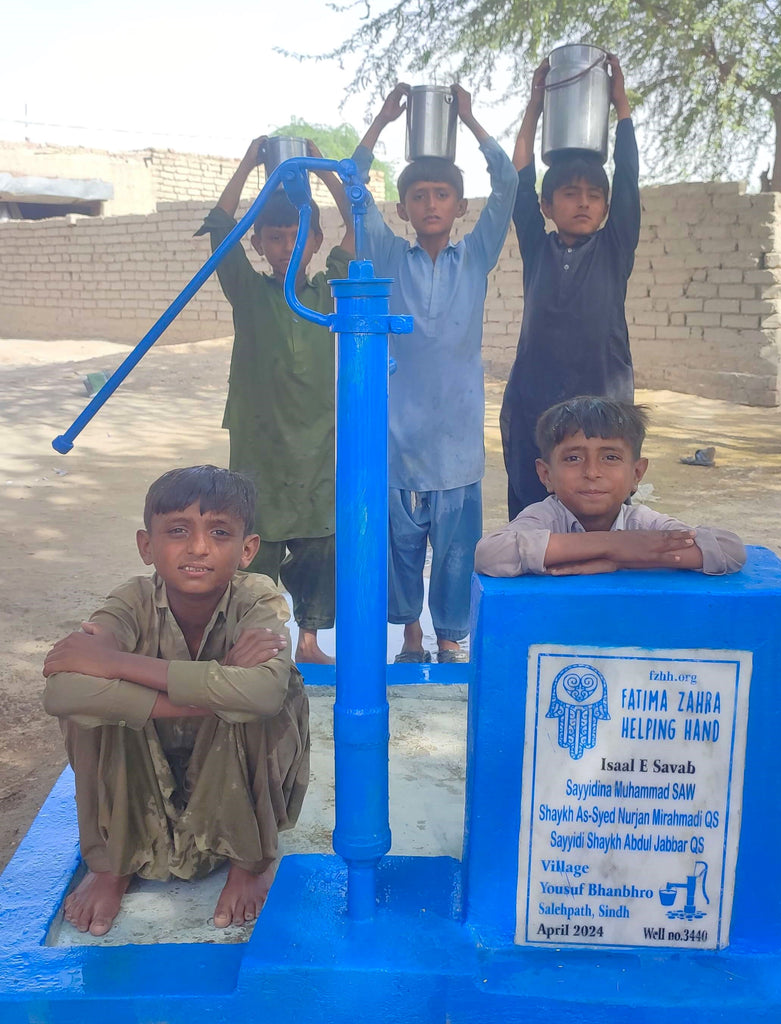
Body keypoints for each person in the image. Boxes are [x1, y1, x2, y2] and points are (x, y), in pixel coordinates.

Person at [42, 466, 309, 936]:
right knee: (89, 709)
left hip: (231, 757)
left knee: (276, 694)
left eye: (220, 532)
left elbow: (264, 693)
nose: (199, 548)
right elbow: (60, 690)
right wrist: (214, 688)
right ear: (147, 545)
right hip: (147, 755)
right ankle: (111, 863)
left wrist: (119, 665)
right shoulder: (130, 600)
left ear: (248, 550)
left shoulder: (256, 599)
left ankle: (251, 860)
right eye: (178, 531)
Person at [353, 83, 518, 663]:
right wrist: (382, 118)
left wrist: (470, 121)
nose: (430, 204)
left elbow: (512, 185)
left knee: (455, 551)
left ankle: (450, 638)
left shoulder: (474, 257)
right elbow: (353, 182)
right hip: (398, 442)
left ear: (459, 206)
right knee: (398, 551)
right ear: (402, 209)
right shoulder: (388, 254)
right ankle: (412, 637)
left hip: (457, 445)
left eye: (442, 194)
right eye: (419, 195)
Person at [196, 138, 355, 664]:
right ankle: (264, 641)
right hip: (260, 442)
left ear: (314, 242)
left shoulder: (330, 290)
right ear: (259, 243)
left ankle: (308, 642)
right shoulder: (248, 290)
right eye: (275, 237)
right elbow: (221, 227)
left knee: (319, 544)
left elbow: (358, 226)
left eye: (297, 236)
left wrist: (321, 169)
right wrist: (247, 161)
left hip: (316, 444)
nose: (287, 246)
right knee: (255, 544)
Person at [501, 54, 641, 519]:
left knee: (598, 511)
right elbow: (518, 175)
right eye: (570, 194)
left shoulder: (614, 246)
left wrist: (621, 107)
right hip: (533, 400)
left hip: (602, 398)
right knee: (532, 511)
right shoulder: (538, 249)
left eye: (594, 195)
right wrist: (535, 105)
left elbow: (628, 179)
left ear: (604, 206)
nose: (584, 203)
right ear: (546, 204)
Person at [475, 397, 745, 577]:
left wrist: (619, 559)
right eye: (573, 458)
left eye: (610, 458)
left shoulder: (640, 522)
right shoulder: (546, 517)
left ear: (636, 474)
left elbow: (728, 549)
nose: (592, 472)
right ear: (546, 475)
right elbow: (490, 554)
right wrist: (615, 544)